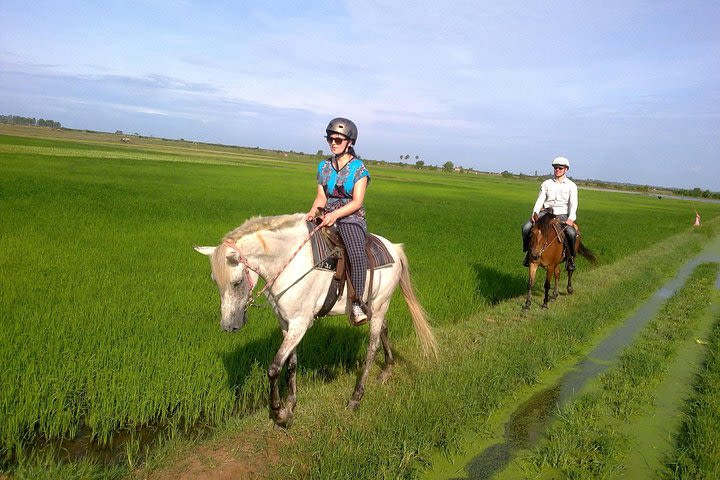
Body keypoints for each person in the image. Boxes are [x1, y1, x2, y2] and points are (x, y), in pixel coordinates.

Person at [306, 117, 370, 325]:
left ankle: (357, 303)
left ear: (349, 142)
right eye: (330, 139)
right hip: (326, 214)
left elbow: (357, 202)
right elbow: (321, 197)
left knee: (356, 253)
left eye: (338, 139)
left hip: (350, 218)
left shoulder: (359, 169)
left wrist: (335, 215)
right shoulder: (323, 166)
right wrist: (311, 212)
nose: (333, 143)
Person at [521, 156, 579, 271]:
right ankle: (528, 254)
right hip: (546, 213)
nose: (557, 170)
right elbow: (540, 199)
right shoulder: (546, 184)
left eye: (560, 168)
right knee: (526, 227)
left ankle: (570, 259)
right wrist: (535, 213)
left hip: (561, 214)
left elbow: (573, 204)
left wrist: (571, 218)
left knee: (571, 233)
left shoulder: (572, 185)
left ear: (566, 169)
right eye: (555, 168)